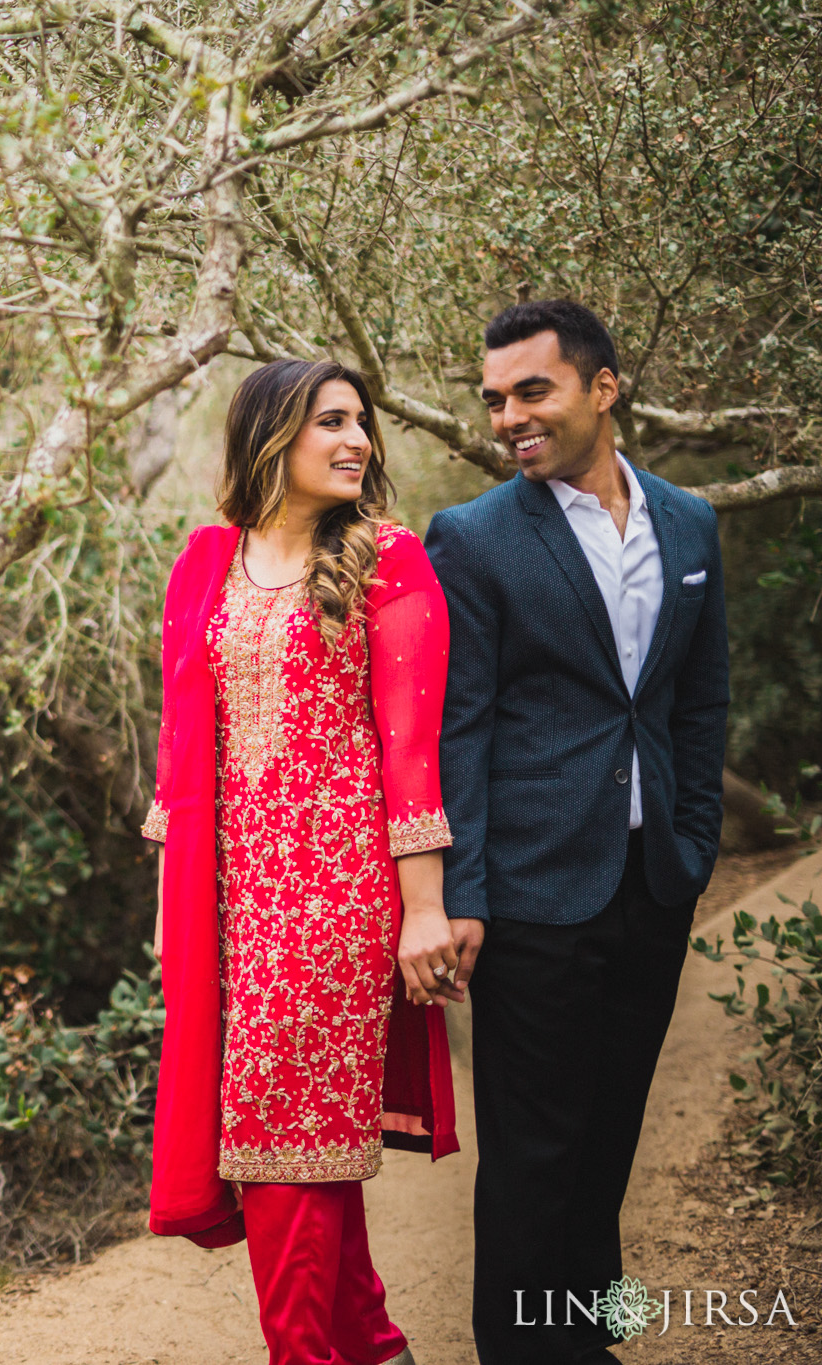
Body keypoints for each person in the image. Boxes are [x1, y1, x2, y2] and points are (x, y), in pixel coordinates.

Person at [424, 299, 729, 1365]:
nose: (508, 416)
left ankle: (588, 1340)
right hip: (529, 894)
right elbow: (457, 729)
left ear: (602, 389)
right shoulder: (469, 537)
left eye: (530, 391)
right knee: (531, 1155)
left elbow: (696, 702)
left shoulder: (688, 523)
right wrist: (461, 892)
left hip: (651, 884)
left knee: (607, 1141)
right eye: (494, 400)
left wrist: (692, 846)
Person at [144, 358, 462, 1365]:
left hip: (335, 903)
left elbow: (409, 751)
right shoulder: (203, 563)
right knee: (299, 1145)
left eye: (360, 423)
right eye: (330, 421)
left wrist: (422, 910)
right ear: (267, 435)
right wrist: (169, 915)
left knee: (282, 1145)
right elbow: (176, 757)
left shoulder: (390, 560)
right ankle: (371, 1346)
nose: (355, 441)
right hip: (231, 904)